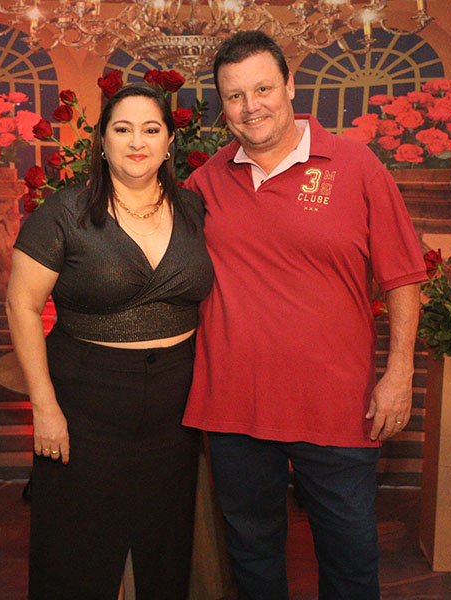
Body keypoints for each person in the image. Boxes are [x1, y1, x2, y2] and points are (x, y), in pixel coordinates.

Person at [183, 31, 427, 600]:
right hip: (235, 407)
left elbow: (403, 275)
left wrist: (399, 373)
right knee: (251, 555)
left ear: (290, 86)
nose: (251, 106)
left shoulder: (356, 165)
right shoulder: (205, 182)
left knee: (349, 558)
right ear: (223, 105)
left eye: (263, 89)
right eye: (235, 96)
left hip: (336, 405)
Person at [6, 84, 214, 600]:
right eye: (123, 129)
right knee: (76, 547)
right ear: (102, 140)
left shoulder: (195, 210)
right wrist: (45, 407)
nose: (137, 142)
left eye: (151, 129)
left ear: (169, 142)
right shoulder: (64, 212)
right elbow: (22, 307)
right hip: (85, 400)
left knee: (166, 543)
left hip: (176, 405)